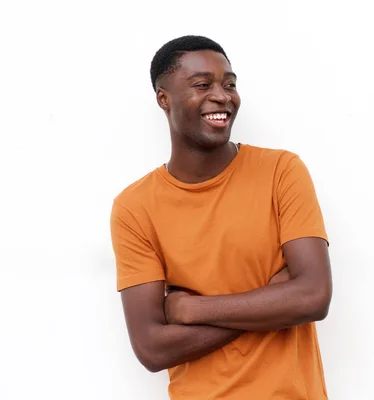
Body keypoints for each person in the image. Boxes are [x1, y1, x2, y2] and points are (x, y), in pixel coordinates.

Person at [109, 35, 333, 399]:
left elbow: (313, 298)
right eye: (202, 85)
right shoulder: (134, 207)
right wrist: (275, 301)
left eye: (230, 84)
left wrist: (192, 308)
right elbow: (151, 348)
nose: (223, 95)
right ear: (163, 98)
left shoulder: (281, 171)